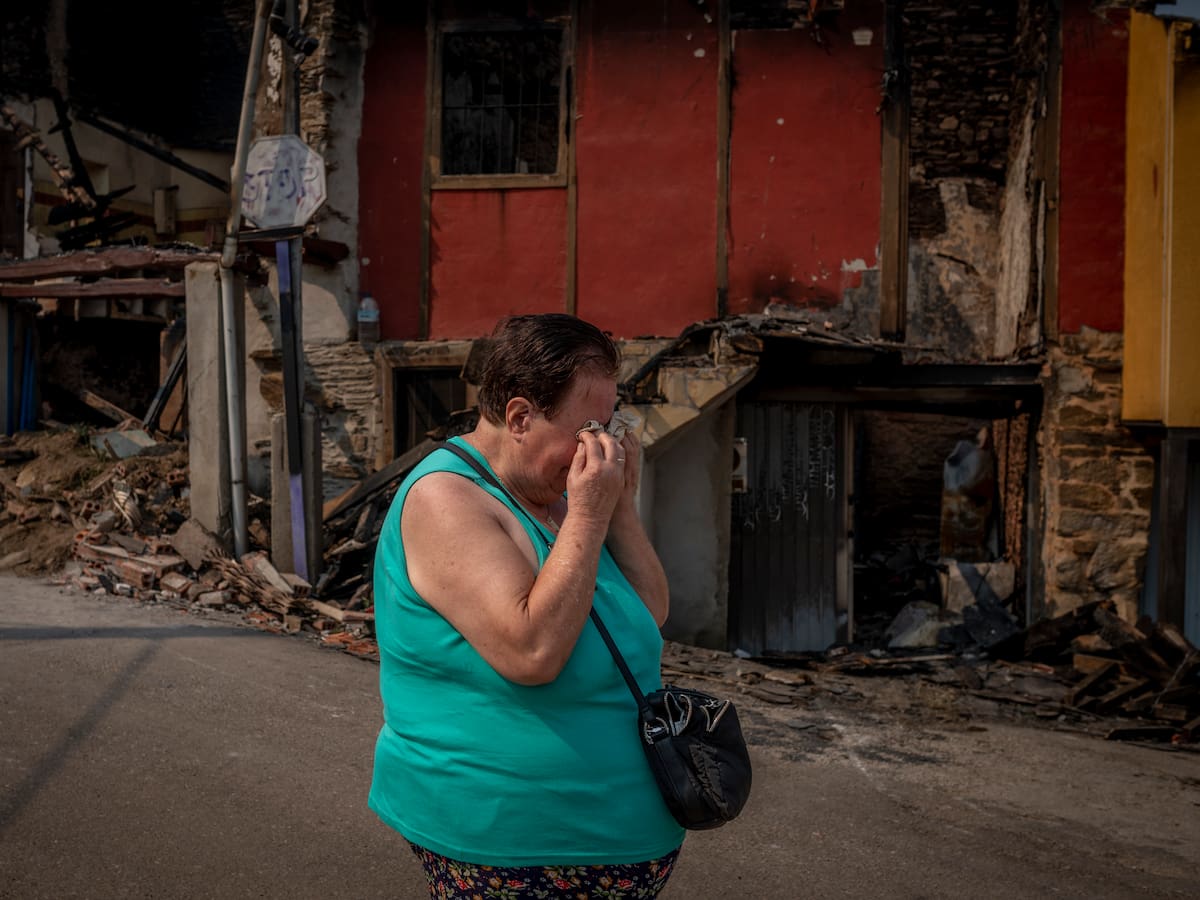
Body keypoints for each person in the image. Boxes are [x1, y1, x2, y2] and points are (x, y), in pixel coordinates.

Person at [368, 313, 685, 898]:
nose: (601, 446)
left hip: (616, 832)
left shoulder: (556, 497)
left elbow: (649, 613)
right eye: (587, 427)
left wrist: (620, 510)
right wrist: (589, 513)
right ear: (519, 417)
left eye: (610, 425)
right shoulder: (446, 498)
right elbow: (531, 651)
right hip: (513, 845)